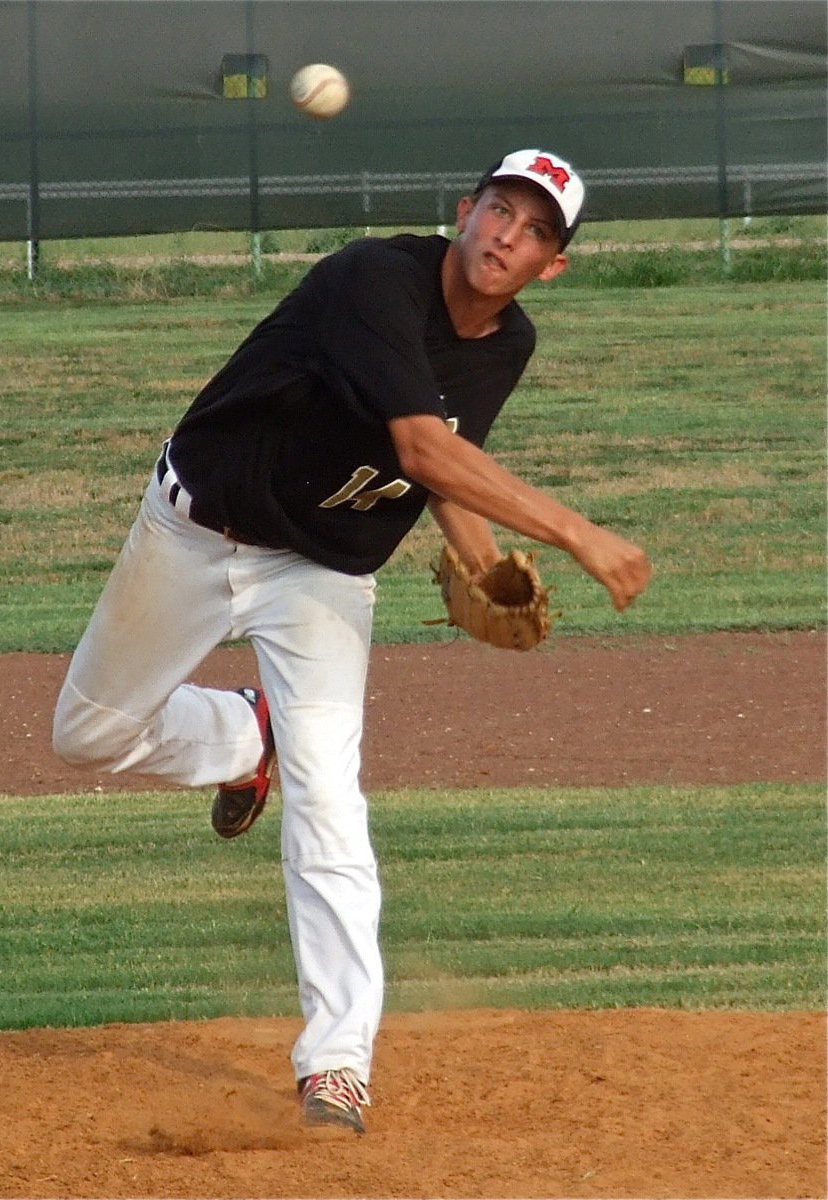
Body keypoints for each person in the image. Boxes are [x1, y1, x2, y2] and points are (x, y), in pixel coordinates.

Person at [53, 147, 652, 1134]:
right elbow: (419, 443)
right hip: (196, 530)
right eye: (499, 209)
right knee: (87, 735)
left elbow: (446, 467)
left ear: (554, 264)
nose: (508, 234)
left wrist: (487, 561)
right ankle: (249, 737)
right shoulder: (372, 279)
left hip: (322, 572)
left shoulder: (506, 343)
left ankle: (336, 1063)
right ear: (463, 210)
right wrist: (579, 534)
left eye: (536, 229)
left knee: (330, 805)